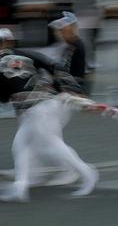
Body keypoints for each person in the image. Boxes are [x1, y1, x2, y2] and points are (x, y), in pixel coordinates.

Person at [0, 51, 98, 202]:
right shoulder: (20, 54)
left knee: (53, 145)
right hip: (45, 103)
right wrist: (73, 90)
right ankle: (20, 186)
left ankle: (88, 173)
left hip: (37, 109)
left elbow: (4, 97)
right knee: (20, 146)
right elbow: (54, 65)